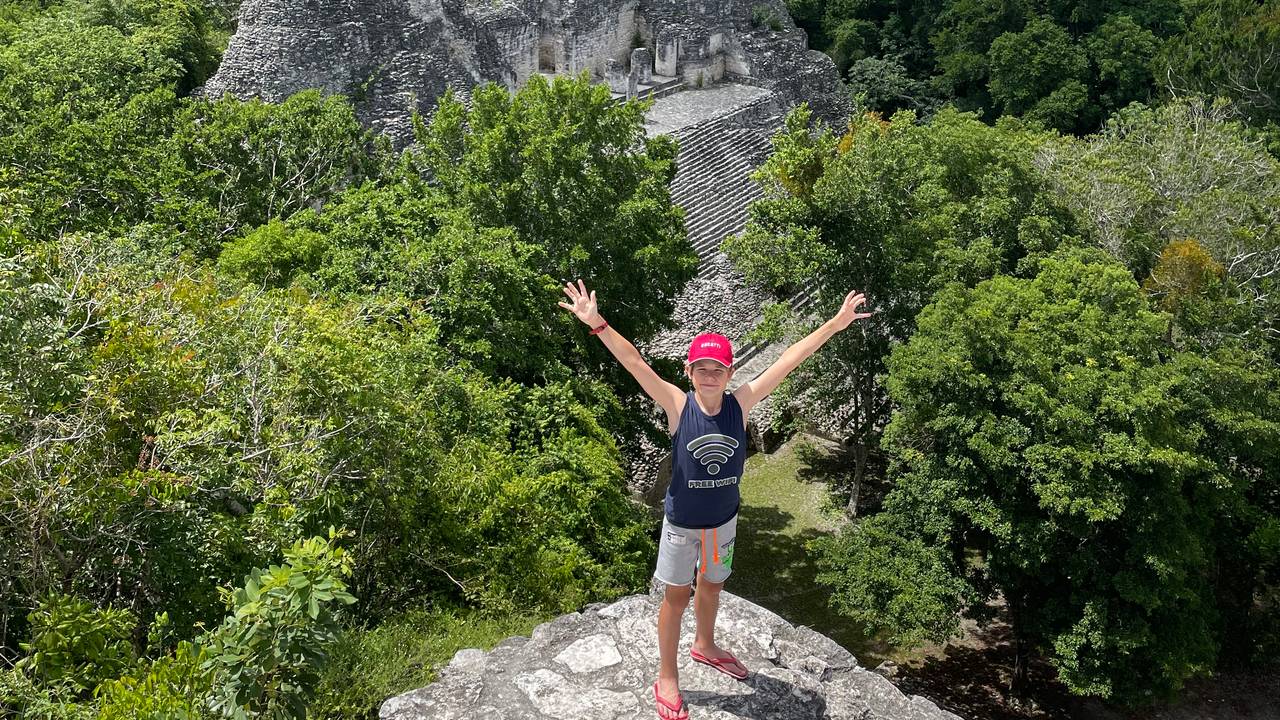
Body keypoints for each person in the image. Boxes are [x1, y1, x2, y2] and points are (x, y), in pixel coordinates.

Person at [559, 279, 872, 720]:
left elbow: (787, 360)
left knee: (712, 584)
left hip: (722, 521)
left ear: (729, 374)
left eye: (718, 369)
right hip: (683, 524)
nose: (710, 375)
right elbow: (635, 363)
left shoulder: (740, 404)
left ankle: (704, 645)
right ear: (689, 372)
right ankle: (667, 675)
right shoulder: (677, 404)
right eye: (702, 368)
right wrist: (597, 325)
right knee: (675, 597)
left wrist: (835, 325)